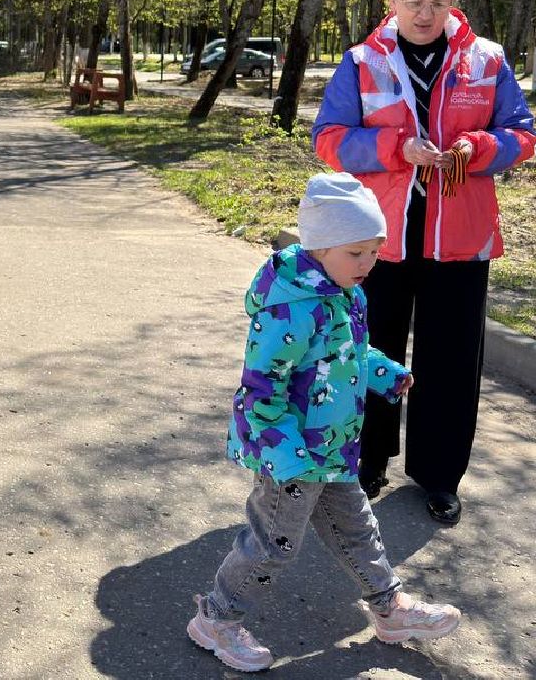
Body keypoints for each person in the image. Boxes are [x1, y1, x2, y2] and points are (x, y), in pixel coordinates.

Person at [187, 173, 462, 673]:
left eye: (374, 252)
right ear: (319, 247)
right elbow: (260, 390)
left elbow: (350, 353)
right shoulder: (290, 312)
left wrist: (387, 373)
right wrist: (287, 454)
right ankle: (217, 618)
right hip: (290, 456)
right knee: (272, 546)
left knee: (358, 530)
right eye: (356, 252)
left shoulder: (346, 293)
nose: (368, 264)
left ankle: (390, 609)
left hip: (333, 448)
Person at [313, 0, 536, 525]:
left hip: (459, 241)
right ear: (393, 2)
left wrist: (478, 149)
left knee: (452, 360)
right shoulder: (362, 62)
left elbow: (521, 134)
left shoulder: (486, 60)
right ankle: (365, 463)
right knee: (369, 353)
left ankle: (439, 476)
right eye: (413, 2)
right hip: (376, 242)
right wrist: (395, 149)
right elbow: (329, 140)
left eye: (437, 3)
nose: (424, 13)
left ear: (452, 5)